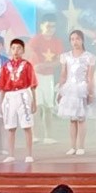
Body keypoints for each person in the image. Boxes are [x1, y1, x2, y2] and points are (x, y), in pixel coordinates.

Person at [0, 37, 38, 163]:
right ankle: (11, 154)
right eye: (13, 48)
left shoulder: (27, 65)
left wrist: (34, 101)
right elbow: (2, 86)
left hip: (23, 95)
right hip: (9, 97)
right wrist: (1, 103)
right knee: (10, 127)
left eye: (19, 48)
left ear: (23, 50)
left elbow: (32, 84)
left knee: (27, 126)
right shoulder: (5, 67)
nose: (16, 51)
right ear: (10, 50)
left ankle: (29, 154)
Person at [57, 30, 96, 156]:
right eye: (72, 39)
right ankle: (72, 146)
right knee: (72, 119)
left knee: (81, 118)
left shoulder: (89, 57)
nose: (75, 42)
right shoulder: (66, 56)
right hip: (69, 89)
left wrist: (90, 93)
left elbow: (90, 77)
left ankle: (81, 146)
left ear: (82, 40)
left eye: (77, 39)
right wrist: (60, 91)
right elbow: (63, 75)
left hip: (81, 88)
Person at [25, 14, 64, 144]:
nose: (50, 29)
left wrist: (45, 66)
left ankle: (48, 136)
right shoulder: (35, 40)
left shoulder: (57, 42)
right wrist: (35, 65)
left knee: (48, 107)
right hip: (35, 77)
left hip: (48, 77)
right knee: (36, 106)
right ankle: (35, 135)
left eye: (53, 26)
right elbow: (29, 53)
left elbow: (59, 61)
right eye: (48, 26)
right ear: (42, 26)